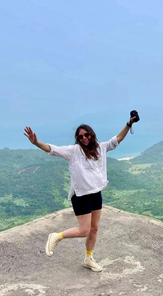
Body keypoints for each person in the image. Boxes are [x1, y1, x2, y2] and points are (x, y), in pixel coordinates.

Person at [23, 114, 138, 272]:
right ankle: (57, 236)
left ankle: (88, 258)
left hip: (96, 193)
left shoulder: (100, 148)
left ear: (91, 134)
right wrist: (36, 142)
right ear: (78, 139)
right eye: (80, 136)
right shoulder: (74, 151)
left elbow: (118, 139)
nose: (84, 138)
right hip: (81, 195)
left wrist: (129, 123)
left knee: (94, 229)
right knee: (84, 230)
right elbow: (52, 149)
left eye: (86, 135)